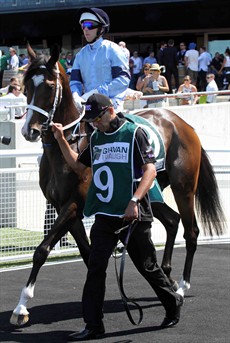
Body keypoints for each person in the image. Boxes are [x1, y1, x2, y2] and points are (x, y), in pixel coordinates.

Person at [52, 93, 183, 341]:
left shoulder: (135, 133)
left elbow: (151, 170)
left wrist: (134, 201)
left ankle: (172, 301)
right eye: (90, 121)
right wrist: (60, 140)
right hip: (105, 216)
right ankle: (93, 324)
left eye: (97, 119)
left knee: (147, 267)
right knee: (95, 268)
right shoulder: (97, 138)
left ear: (110, 110)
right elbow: (80, 168)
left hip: (132, 215)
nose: (94, 124)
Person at [70, 7, 130, 112]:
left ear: (101, 29)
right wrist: (75, 95)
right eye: (83, 26)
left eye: (89, 25)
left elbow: (123, 80)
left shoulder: (114, 49)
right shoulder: (80, 55)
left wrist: (98, 92)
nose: (86, 29)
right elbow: (75, 82)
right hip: (88, 106)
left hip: (112, 105)